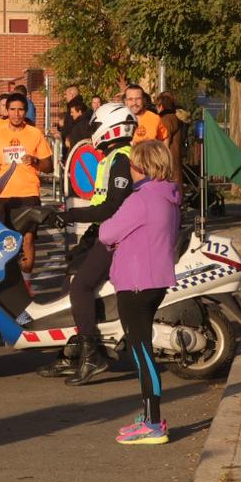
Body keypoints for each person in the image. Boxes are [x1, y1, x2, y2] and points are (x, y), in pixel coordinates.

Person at [98, 140, 181, 445]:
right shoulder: (169, 196)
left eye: (132, 164)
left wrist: (113, 241)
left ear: (141, 167)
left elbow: (107, 232)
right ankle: (148, 416)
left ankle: (154, 422)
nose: (129, 169)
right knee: (141, 348)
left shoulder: (141, 198)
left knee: (141, 351)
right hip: (156, 279)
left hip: (134, 282)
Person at [51, 101, 139, 384]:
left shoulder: (123, 160)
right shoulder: (111, 158)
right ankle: (72, 350)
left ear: (112, 129)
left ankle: (93, 355)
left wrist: (71, 215)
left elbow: (112, 207)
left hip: (117, 236)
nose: (94, 134)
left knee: (81, 285)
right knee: (70, 272)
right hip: (103, 231)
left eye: (97, 128)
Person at [0, 92, 53, 282]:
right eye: (12, 109)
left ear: (25, 111)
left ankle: (26, 283)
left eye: (20, 109)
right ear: (6, 110)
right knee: (4, 242)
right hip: (2, 193)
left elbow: (49, 166)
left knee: (27, 239)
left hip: (28, 193)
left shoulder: (34, 133)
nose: (16, 114)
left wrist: (35, 161)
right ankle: (5, 283)